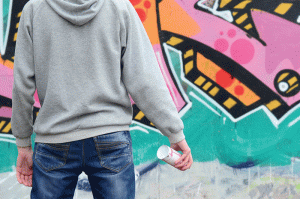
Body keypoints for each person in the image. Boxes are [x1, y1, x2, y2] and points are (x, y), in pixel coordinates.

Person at [11, 0, 193, 198]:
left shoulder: (34, 9)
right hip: (111, 138)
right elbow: (144, 79)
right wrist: (174, 132)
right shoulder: (118, 6)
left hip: (54, 138)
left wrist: (23, 142)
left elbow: (22, 84)